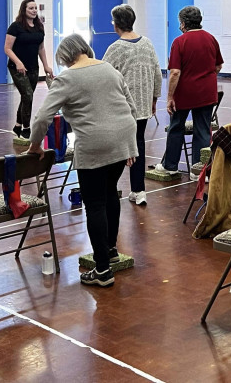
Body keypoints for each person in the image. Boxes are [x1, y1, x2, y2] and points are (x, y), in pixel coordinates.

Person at [29, 34, 137, 288]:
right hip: (123, 139)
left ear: (65, 57)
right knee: (111, 193)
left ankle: (102, 270)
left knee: (95, 204)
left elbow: (43, 117)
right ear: (85, 49)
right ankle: (110, 250)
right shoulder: (109, 69)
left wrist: (34, 145)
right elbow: (131, 107)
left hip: (95, 144)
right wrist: (129, 144)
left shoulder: (67, 78)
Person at [103, 4, 162, 206]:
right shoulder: (147, 44)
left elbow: (103, 75)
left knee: (119, 148)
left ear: (117, 24)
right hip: (144, 106)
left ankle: (110, 187)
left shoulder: (116, 48)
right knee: (138, 145)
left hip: (122, 108)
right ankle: (139, 190)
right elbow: (157, 73)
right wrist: (154, 98)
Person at [155, 6, 223, 174]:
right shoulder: (211, 39)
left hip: (184, 94)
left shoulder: (179, 42)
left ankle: (170, 166)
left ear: (183, 24)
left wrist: (170, 96)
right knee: (202, 130)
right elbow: (218, 66)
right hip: (207, 94)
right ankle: (199, 171)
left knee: (176, 127)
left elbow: (175, 72)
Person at [4, 0, 54, 139]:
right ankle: (26, 129)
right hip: (17, 68)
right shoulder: (16, 27)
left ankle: (17, 125)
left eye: (35, 8)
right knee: (28, 96)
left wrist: (46, 66)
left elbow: (41, 48)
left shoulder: (39, 27)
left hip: (33, 68)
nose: (34, 11)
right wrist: (18, 63)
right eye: (30, 8)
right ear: (24, 10)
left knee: (26, 97)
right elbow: (7, 49)